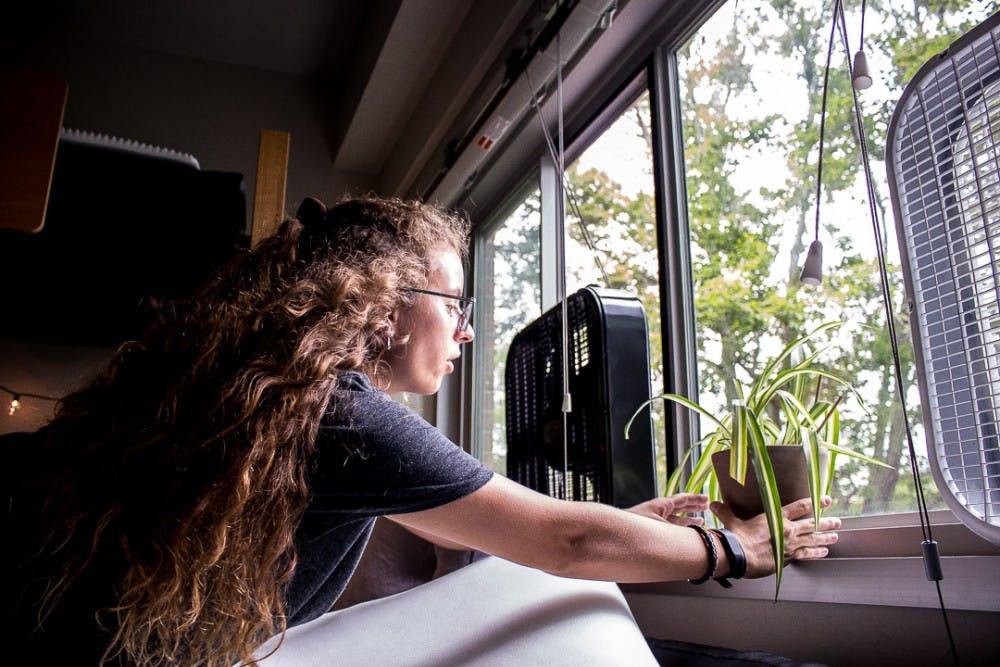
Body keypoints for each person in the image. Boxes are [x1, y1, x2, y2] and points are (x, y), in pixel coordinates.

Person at [2, 195, 840, 666]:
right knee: (581, 594)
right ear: (389, 304)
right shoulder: (342, 411)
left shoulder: (273, 400)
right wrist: (741, 549)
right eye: (457, 306)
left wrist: (630, 525)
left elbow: (484, 525)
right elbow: (571, 543)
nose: (467, 332)